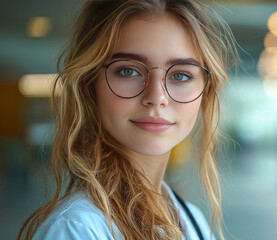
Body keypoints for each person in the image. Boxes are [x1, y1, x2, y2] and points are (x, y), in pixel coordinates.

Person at [18, 0, 237, 239]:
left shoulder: (191, 220)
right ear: (90, 85)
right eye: (129, 71)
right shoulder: (77, 229)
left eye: (181, 75)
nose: (157, 97)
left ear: (205, 91)